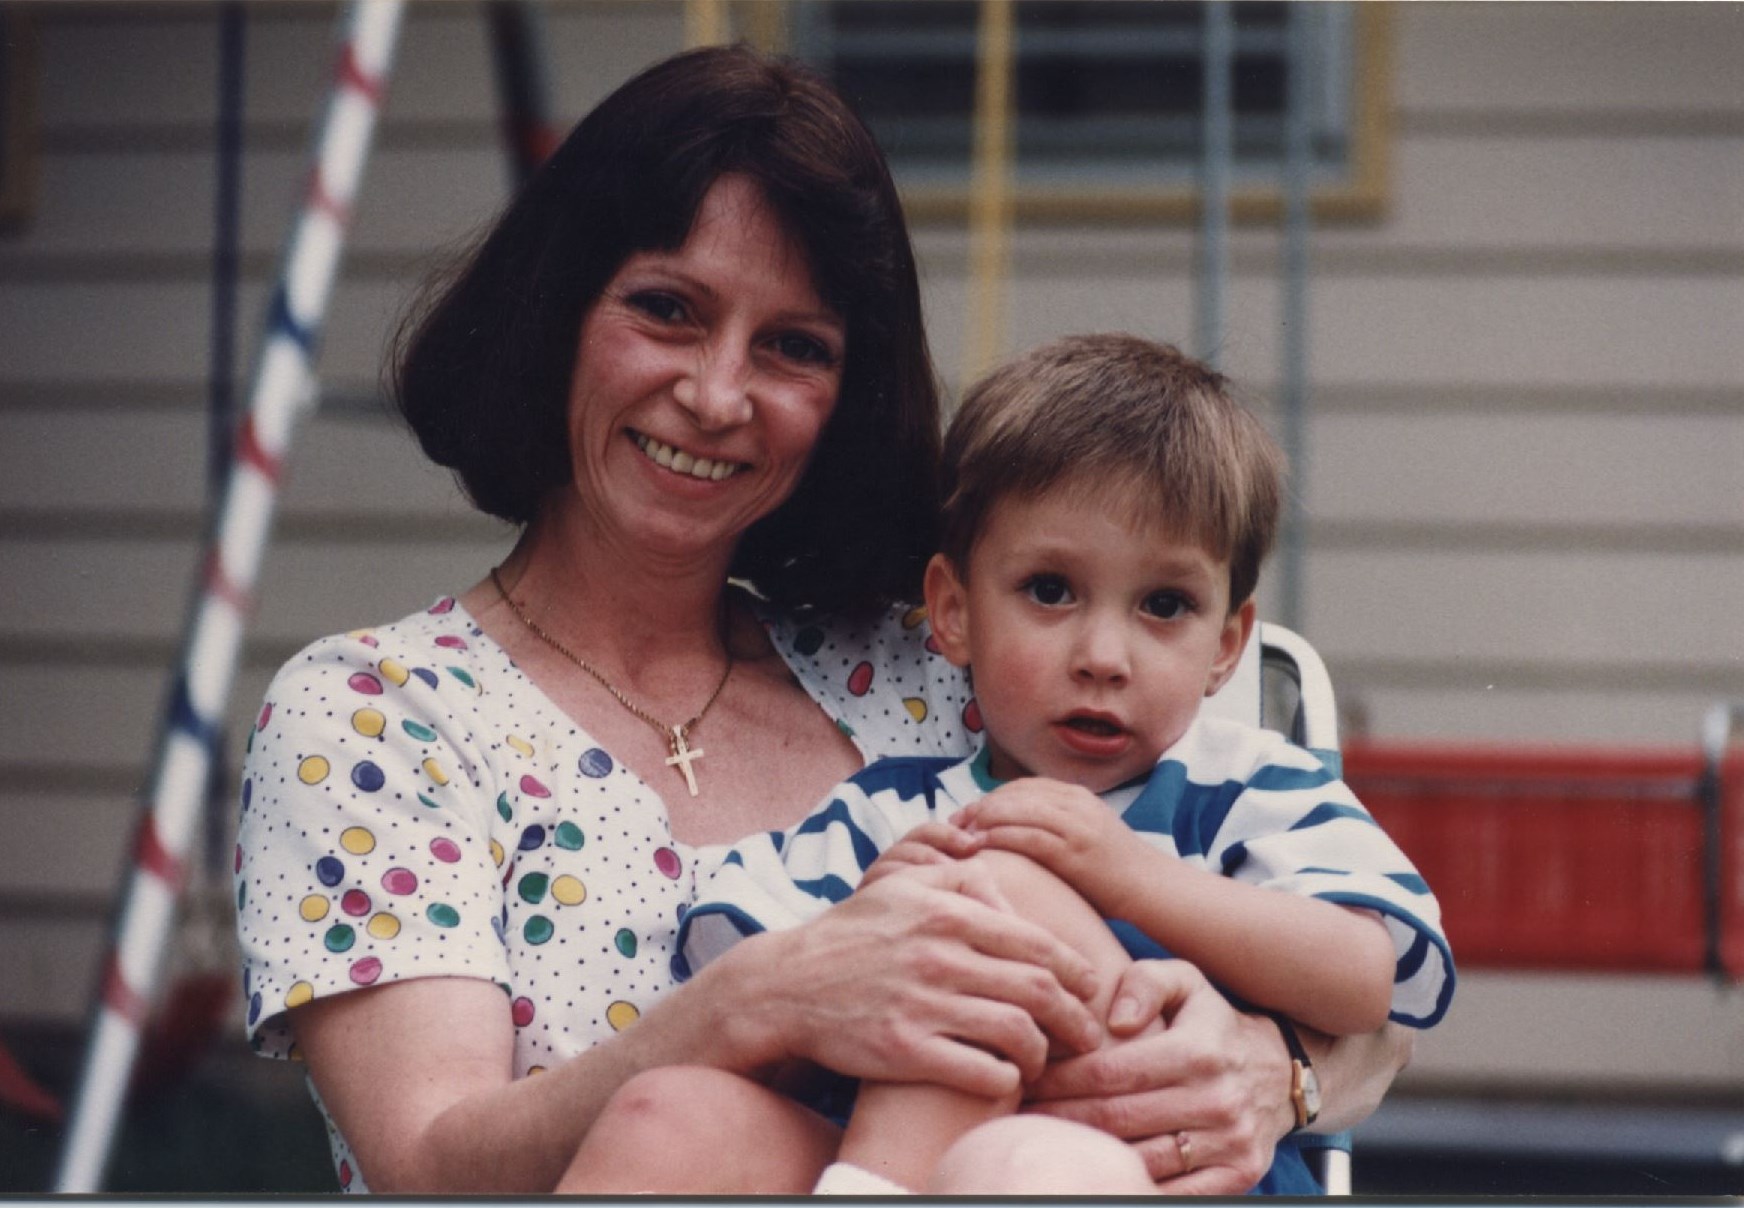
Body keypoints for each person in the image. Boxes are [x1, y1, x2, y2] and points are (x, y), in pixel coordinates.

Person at [233, 45, 1415, 1195]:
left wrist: (1276, 1073)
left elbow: (1369, 985)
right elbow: (428, 1169)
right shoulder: (379, 716)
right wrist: (753, 1003)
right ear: (555, 313)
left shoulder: (950, 664)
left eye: (793, 347)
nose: (716, 395)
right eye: (667, 309)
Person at [561, 334, 1455, 1195]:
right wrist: (876, 927)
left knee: (999, 906)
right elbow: (748, 991)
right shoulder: (886, 817)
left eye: (1164, 605)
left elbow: (1363, 976)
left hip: (1159, 1166)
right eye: (1050, 591)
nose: (1104, 656)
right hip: (907, 1154)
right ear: (953, 611)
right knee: (670, 1117)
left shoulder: (1246, 790)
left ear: (1226, 647)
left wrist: (1127, 875)